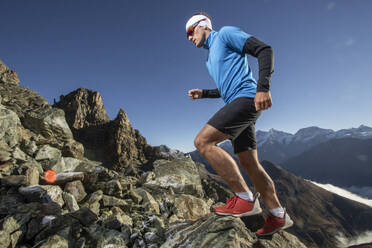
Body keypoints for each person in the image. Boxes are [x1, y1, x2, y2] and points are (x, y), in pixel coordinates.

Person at [185, 12, 293, 236]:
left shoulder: (225, 34)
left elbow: (264, 50)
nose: (188, 37)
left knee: (203, 142)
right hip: (238, 100)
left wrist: (263, 87)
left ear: (202, 25)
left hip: (246, 99)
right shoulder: (209, 59)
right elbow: (224, 89)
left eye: (190, 31)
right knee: (250, 163)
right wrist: (204, 93)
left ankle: (244, 198)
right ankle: (278, 215)